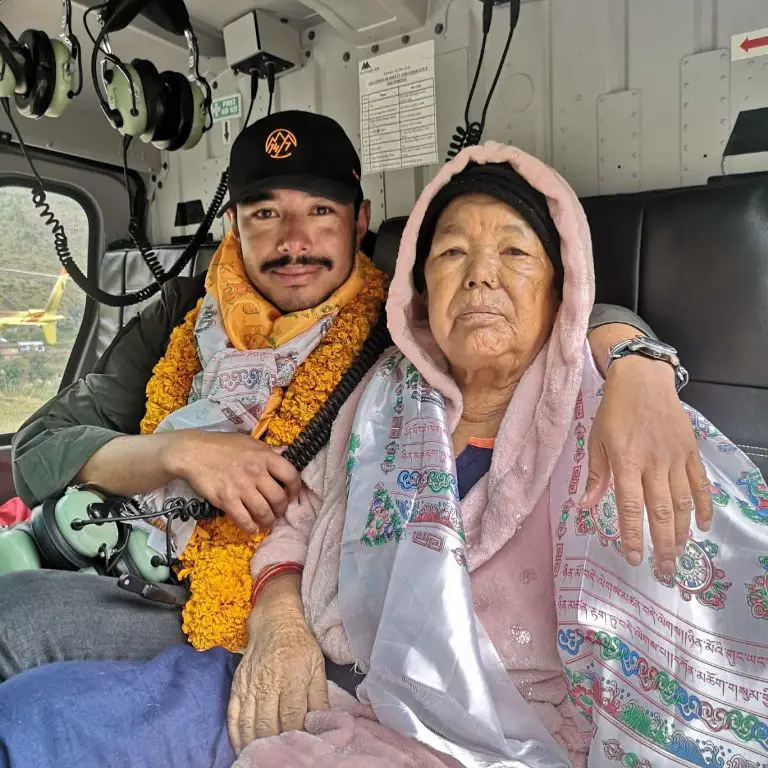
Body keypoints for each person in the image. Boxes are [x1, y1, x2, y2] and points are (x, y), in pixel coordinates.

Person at [2, 142, 761, 768]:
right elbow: (49, 444)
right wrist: (188, 470)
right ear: (421, 291)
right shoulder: (387, 386)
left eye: (514, 253)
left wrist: (634, 363)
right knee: (31, 708)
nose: (481, 274)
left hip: (470, 734)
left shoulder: (609, 415)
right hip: (270, 637)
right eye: (453, 253)